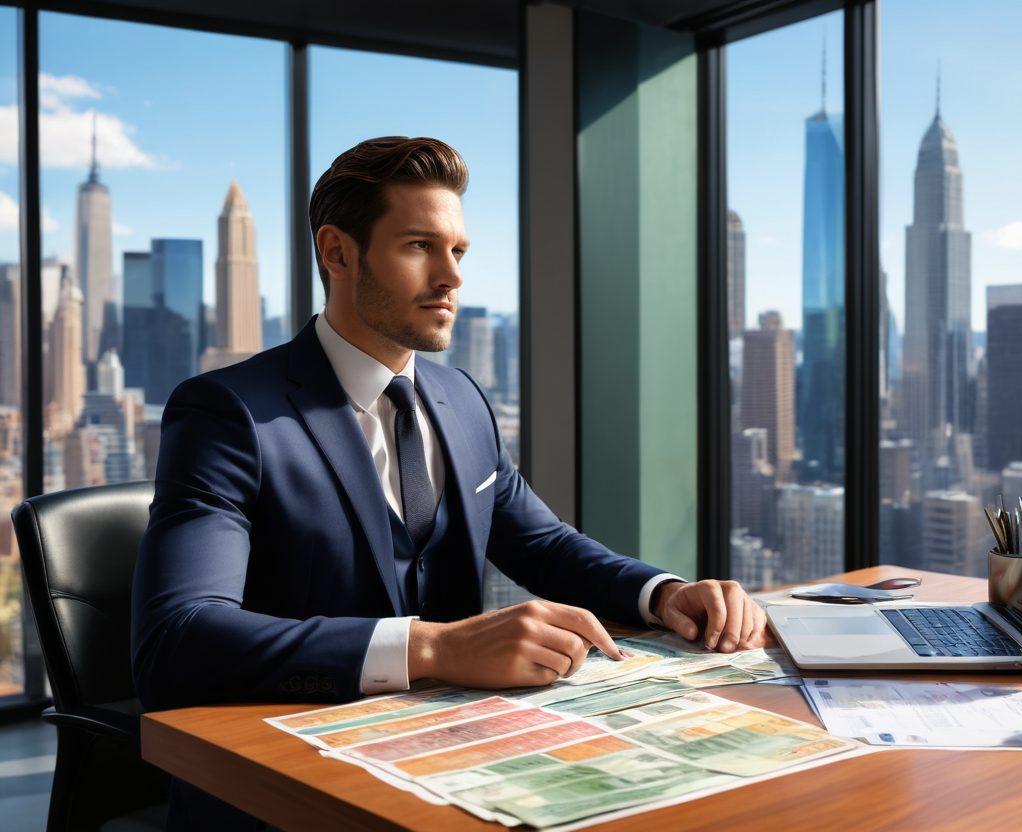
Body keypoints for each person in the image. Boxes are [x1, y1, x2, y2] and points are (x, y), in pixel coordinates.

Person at [131, 136, 766, 829]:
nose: (452, 277)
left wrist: (663, 593)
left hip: (464, 764)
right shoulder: (229, 413)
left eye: (457, 251)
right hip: (287, 786)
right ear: (338, 253)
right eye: (418, 247)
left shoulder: (461, 399)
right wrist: (434, 647)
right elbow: (178, 640)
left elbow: (543, 543)